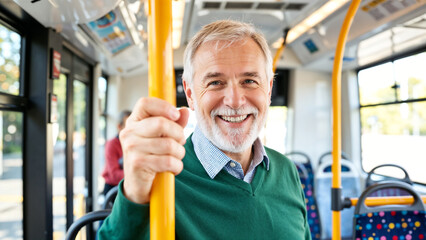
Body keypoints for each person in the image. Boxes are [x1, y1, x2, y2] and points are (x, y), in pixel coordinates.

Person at [98, 20, 310, 239]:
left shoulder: (287, 171)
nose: (235, 101)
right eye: (215, 82)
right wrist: (134, 193)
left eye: (249, 80)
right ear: (190, 94)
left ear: (268, 90)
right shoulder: (161, 178)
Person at [101, 110, 131, 196]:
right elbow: (114, 175)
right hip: (113, 189)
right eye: (128, 126)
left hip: (127, 186)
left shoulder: (133, 144)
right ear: (119, 126)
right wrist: (135, 173)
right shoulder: (112, 145)